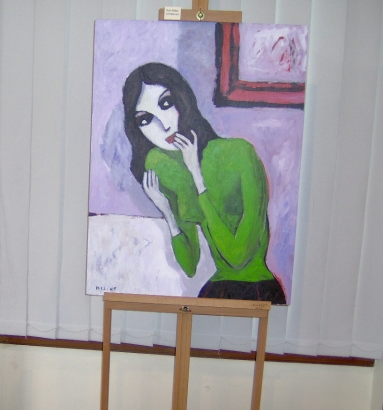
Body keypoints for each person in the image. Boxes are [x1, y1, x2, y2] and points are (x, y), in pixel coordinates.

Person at [122, 62, 285, 304]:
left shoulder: (239, 153)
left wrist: (198, 177)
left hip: (258, 289)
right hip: (216, 289)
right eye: (145, 119)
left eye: (166, 103)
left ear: (182, 98)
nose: (163, 126)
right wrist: (166, 211)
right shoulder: (169, 169)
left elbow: (237, 256)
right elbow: (190, 264)